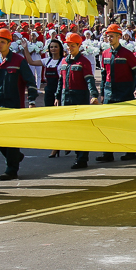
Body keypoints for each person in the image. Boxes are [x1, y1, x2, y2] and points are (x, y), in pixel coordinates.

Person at [0, 28, 39, 180]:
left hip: (13, 106)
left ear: (9, 43)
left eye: (2, 42)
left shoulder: (18, 61)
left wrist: (32, 101)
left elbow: (31, 82)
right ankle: (16, 156)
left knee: (11, 138)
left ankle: (11, 169)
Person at [94, 24, 136, 163]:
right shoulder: (105, 54)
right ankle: (107, 153)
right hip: (110, 91)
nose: (109, 38)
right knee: (106, 123)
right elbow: (104, 74)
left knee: (126, 123)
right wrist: (102, 92)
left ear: (119, 37)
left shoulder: (127, 54)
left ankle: (129, 151)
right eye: (108, 36)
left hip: (125, 91)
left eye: (112, 36)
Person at [55, 32, 100, 169]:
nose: (69, 48)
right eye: (68, 45)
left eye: (72, 45)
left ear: (79, 46)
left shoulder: (83, 62)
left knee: (80, 129)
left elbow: (89, 79)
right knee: (69, 128)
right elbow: (60, 81)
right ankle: (74, 150)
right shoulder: (64, 61)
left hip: (79, 97)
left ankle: (82, 157)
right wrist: (57, 96)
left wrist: (93, 95)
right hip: (65, 97)